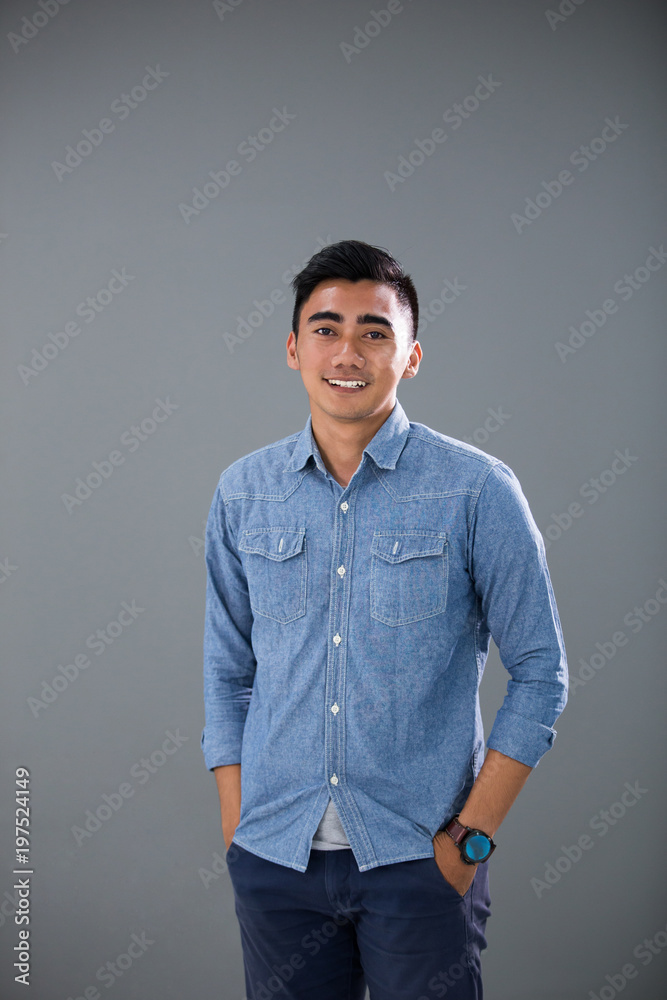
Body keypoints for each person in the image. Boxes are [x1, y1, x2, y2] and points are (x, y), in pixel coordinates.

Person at [201, 239, 568, 999]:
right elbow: (228, 672)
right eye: (326, 329)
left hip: (419, 864)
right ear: (294, 348)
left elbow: (541, 674)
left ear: (411, 357)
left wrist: (468, 841)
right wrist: (239, 830)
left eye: (374, 332)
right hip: (275, 863)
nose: (348, 352)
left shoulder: (476, 491)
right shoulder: (243, 493)